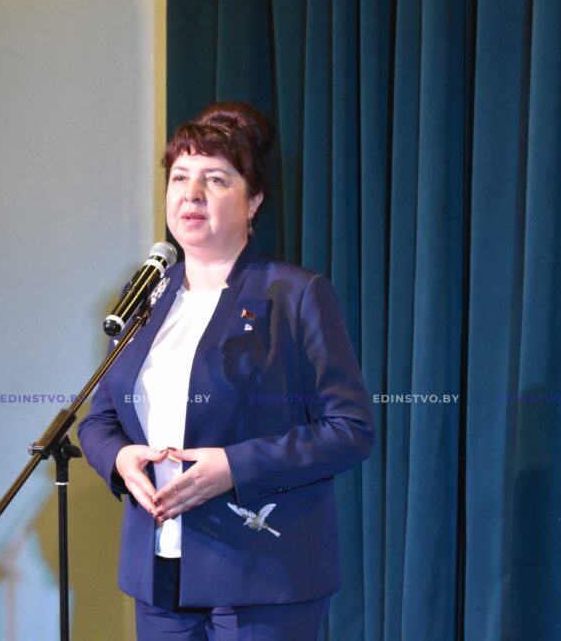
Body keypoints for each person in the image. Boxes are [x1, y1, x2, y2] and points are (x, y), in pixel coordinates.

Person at [77, 101, 372, 640]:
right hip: (159, 574)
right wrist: (119, 459)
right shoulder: (145, 296)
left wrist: (234, 467)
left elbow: (349, 430)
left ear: (253, 201)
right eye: (180, 177)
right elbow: (99, 419)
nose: (191, 194)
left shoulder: (296, 294)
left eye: (215, 179)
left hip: (262, 574)